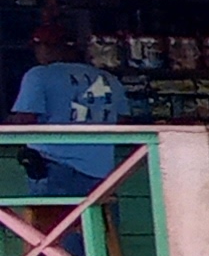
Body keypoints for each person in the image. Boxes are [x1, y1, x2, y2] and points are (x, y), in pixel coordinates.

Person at [9, 10, 132, 195]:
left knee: (55, 215)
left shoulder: (39, 75)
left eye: (45, 45)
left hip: (55, 165)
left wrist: (9, 121)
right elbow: (123, 122)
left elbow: (25, 120)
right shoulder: (109, 78)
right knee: (98, 214)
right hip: (102, 172)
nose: (41, 51)